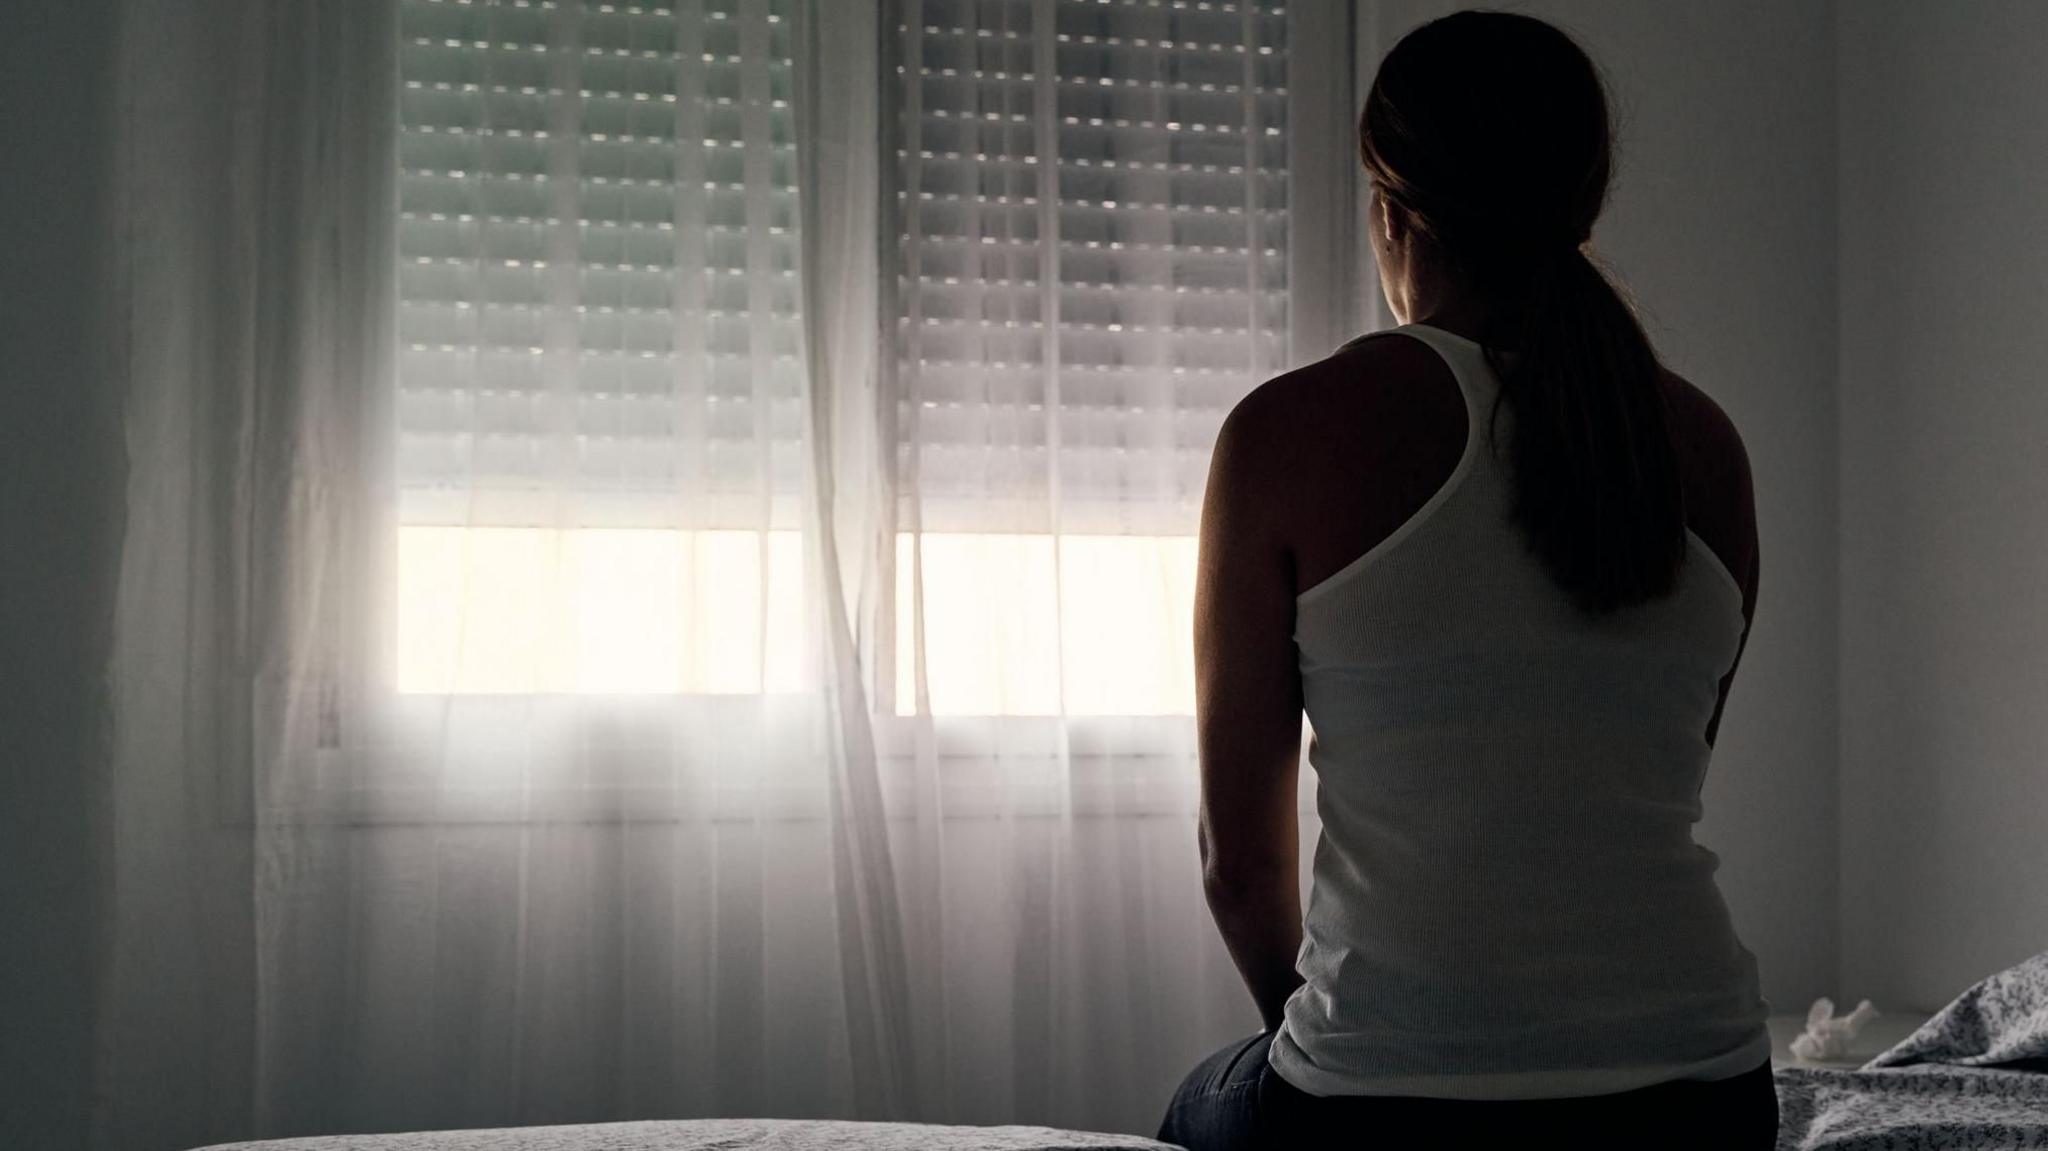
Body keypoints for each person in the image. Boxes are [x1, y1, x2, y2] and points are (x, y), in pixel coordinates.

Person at [1157, 11, 1777, 1149]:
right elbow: (1636, 783)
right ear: (1582, 207)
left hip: (1390, 1108)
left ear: (1389, 209)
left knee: (1190, 1108)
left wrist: (1340, 1042)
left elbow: (1237, 865)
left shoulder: (1286, 434)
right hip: (1706, 1093)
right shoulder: (1702, 445)